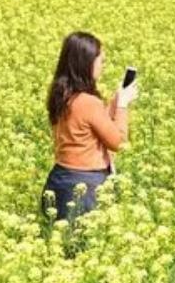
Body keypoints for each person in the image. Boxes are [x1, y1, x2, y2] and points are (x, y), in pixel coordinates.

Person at [43, 32, 138, 220]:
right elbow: (118, 142)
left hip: (59, 183)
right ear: (85, 63)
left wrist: (115, 100)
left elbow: (92, 126)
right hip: (85, 189)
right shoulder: (88, 102)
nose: (103, 67)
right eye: (101, 61)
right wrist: (122, 105)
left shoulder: (60, 96)